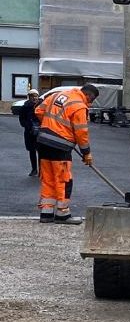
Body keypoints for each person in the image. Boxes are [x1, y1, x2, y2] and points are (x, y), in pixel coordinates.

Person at [35, 83, 99, 224]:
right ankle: (62, 214)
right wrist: (86, 153)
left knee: (48, 178)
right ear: (88, 96)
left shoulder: (57, 95)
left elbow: (39, 111)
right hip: (60, 146)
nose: (89, 103)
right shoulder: (79, 106)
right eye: (91, 101)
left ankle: (46, 213)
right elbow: (81, 132)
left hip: (43, 142)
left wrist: (51, 126)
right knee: (63, 179)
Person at [18, 89, 41, 176]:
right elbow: (22, 120)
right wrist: (28, 126)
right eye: (32, 96)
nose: (34, 98)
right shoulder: (25, 107)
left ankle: (42, 170)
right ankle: (34, 169)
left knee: (41, 152)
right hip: (29, 133)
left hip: (40, 132)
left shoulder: (41, 105)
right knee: (32, 151)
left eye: (36, 96)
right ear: (29, 97)